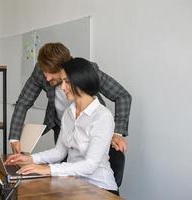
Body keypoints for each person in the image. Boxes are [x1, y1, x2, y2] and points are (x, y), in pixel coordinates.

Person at [9, 43, 132, 187]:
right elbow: (23, 102)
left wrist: (117, 132)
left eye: (53, 73)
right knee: (63, 175)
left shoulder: (88, 75)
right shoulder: (69, 112)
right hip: (64, 126)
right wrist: (25, 152)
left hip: (93, 135)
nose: (47, 78)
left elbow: (122, 96)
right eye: (44, 72)